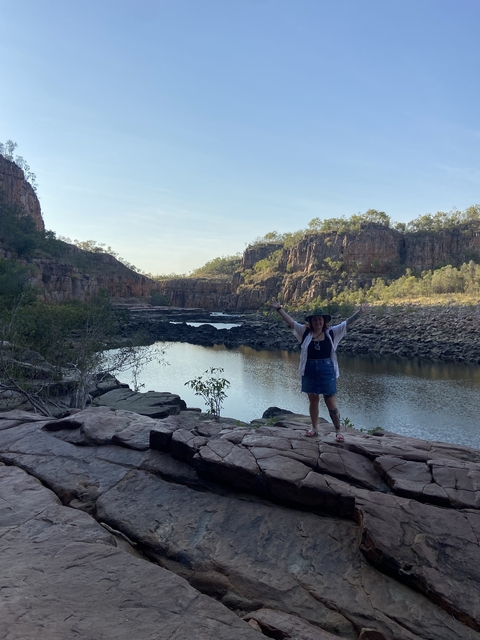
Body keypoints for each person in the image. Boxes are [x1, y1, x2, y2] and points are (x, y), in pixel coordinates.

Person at [269, 300, 369, 441]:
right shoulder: (304, 332)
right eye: (315, 320)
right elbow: (291, 322)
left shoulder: (332, 333)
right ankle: (315, 429)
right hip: (309, 369)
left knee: (331, 402)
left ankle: (338, 431)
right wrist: (279, 309)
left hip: (327, 370)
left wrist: (360, 312)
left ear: (324, 321)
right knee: (313, 400)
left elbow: (347, 323)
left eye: (320, 319)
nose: (318, 322)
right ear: (310, 321)